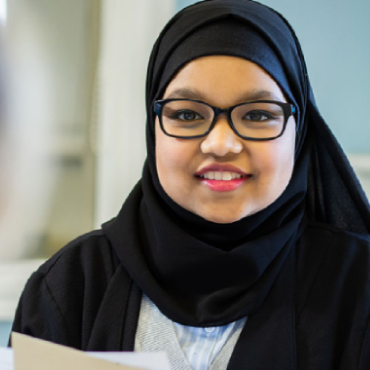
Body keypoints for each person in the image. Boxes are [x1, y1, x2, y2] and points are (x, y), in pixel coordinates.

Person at [11, 0, 370, 369]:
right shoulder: (71, 285)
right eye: (186, 114)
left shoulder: (359, 288)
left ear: (299, 132)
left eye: (258, 115)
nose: (221, 144)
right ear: (153, 128)